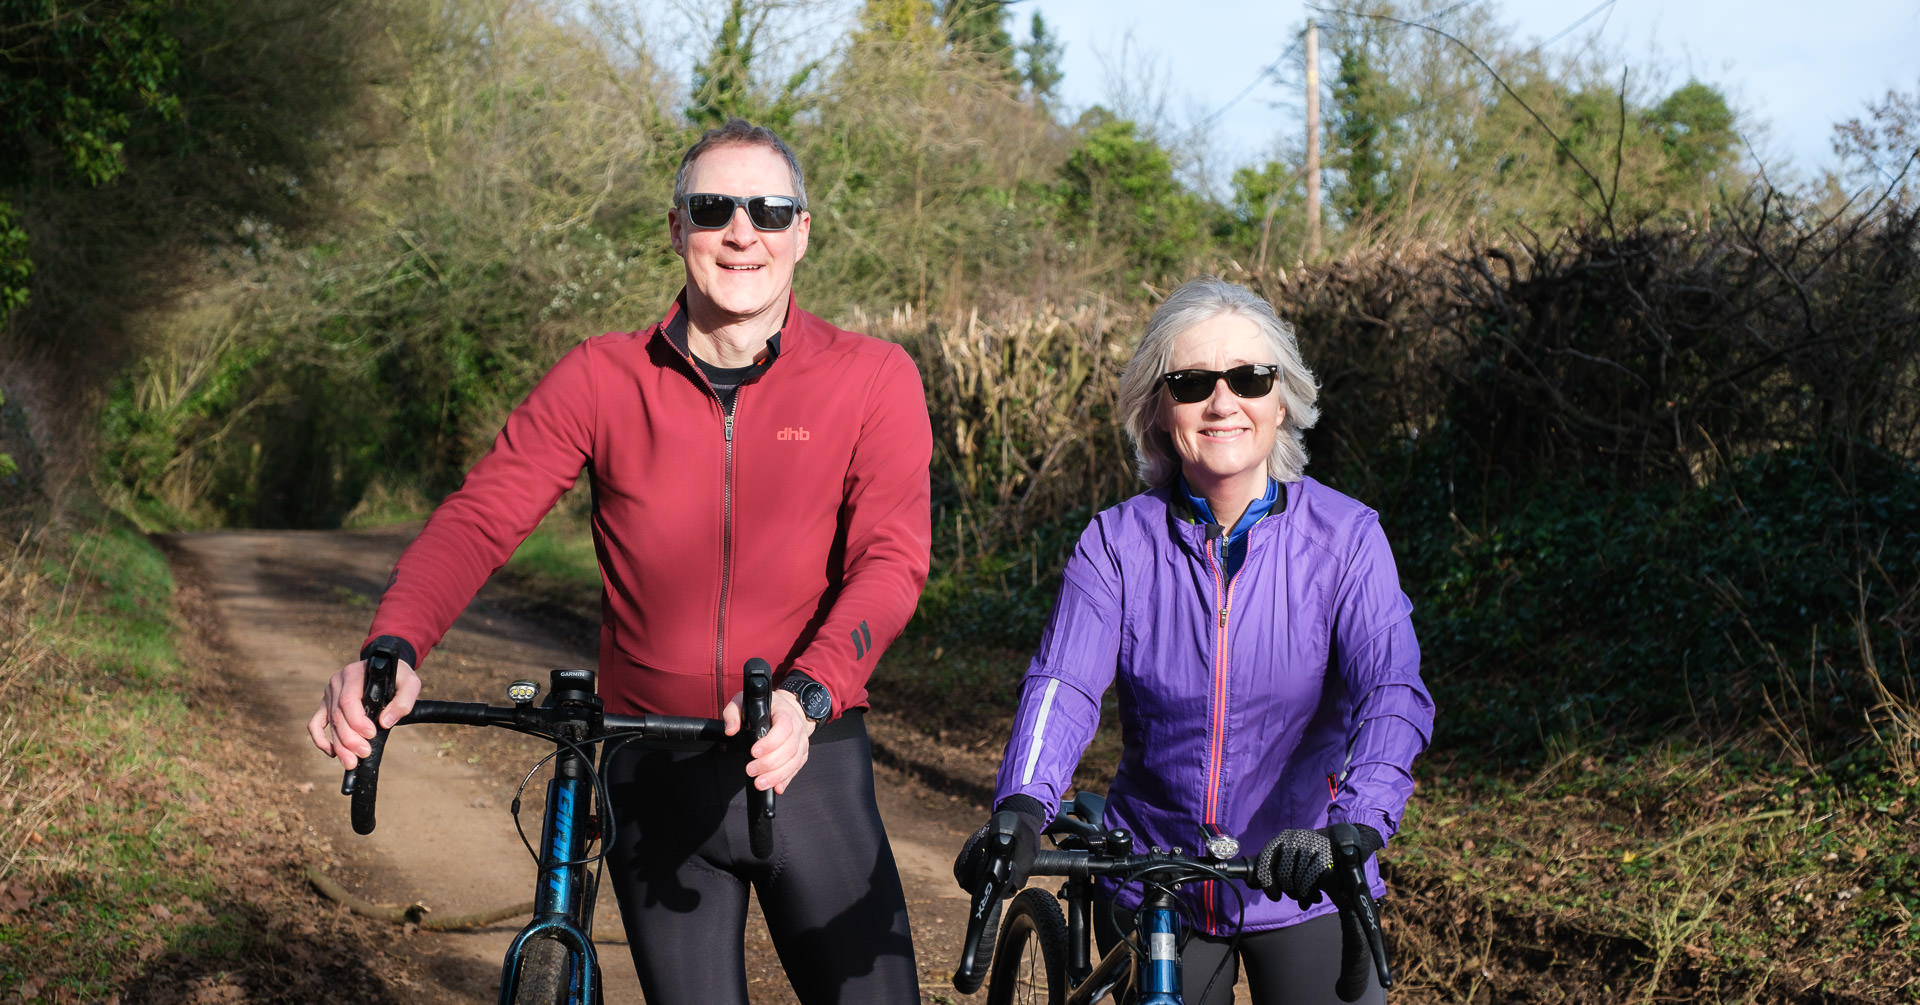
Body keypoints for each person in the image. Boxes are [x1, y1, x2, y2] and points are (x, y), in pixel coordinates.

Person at [308, 119, 932, 1004]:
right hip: (651, 762)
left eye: (768, 209)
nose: (741, 231)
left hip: (809, 756)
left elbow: (892, 560)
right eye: (713, 208)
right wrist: (394, 645)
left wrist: (808, 693)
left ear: (803, 230)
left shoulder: (873, 377)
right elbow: (481, 518)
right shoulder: (602, 377)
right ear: (676, 229)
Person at [958, 277, 1433, 1004]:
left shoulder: (1348, 538)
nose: (1222, 402)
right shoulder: (1115, 543)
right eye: (1191, 382)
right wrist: (1021, 805)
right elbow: (1065, 685)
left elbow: (1391, 691)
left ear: (1283, 399)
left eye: (1249, 377)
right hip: (1158, 875)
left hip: (1302, 868)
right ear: (1156, 405)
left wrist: (1357, 823)